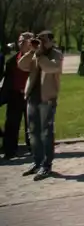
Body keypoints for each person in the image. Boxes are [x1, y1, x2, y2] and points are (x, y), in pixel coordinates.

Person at [17, 30, 62, 180]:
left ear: (51, 40)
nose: (41, 43)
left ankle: (46, 165)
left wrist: (39, 55)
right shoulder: (35, 54)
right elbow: (21, 65)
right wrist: (31, 52)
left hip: (47, 99)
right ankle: (37, 162)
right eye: (39, 40)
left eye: (44, 40)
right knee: (33, 133)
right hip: (32, 98)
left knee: (46, 133)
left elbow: (51, 68)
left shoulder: (56, 54)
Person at [2, 33, 33, 160]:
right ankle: (10, 151)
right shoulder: (11, 61)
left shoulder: (35, 58)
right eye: (19, 41)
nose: (20, 43)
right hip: (14, 95)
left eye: (23, 41)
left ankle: (33, 149)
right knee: (11, 124)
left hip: (30, 95)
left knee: (31, 124)